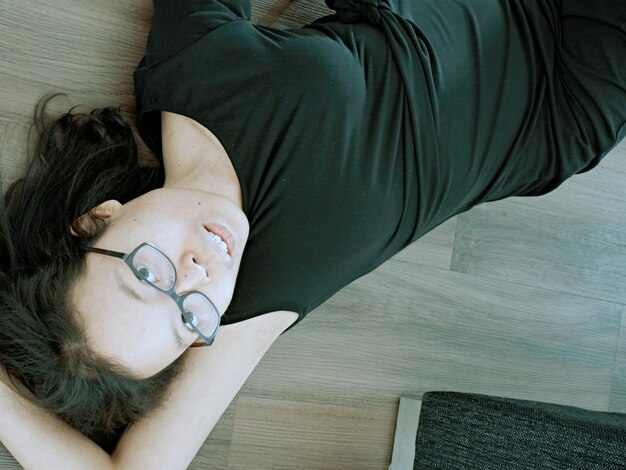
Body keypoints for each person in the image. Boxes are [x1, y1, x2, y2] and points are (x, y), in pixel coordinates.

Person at [1, 0, 624, 467]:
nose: (198, 275)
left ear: (97, 217)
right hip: (565, 90)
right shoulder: (254, 300)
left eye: (148, 273)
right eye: (187, 319)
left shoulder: (194, 70)